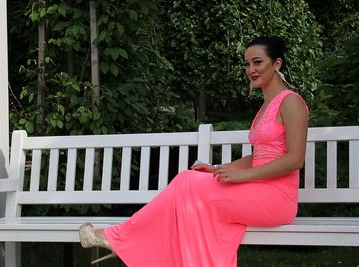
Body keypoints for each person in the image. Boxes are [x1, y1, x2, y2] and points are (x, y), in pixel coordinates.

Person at [79, 36, 309, 267]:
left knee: (188, 185)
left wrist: (243, 175)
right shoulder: (265, 107)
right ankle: (126, 238)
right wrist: (217, 170)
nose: (251, 69)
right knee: (189, 181)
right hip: (258, 190)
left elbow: (295, 159)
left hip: (278, 198)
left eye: (258, 62)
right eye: (247, 64)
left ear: (277, 63)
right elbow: (259, 157)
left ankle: (120, 237)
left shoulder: (291, 102)